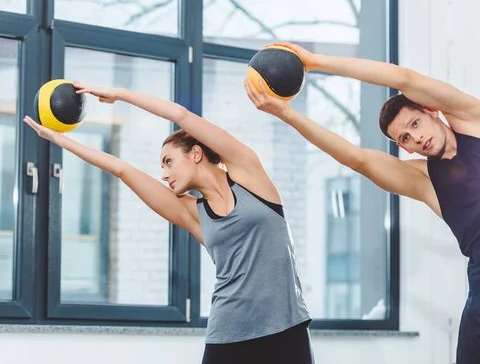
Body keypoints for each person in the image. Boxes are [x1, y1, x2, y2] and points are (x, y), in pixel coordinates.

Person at [244, 42, 480, 364]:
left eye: (415, 123)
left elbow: (403, 78)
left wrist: (316, 62)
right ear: (405, 148)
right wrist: (286, 114)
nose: (416, 137)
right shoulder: (425, 182)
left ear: (431, 111)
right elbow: (357, 159)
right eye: (404, 138)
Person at [24, 82, 313, 364]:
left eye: (168, 161)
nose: (163, 174)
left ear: (196, 153)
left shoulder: (249, 174)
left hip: (287, 328)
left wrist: (120, 93)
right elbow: (122, 169)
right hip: (229, 333)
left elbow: (180, 115)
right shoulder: (192, 214)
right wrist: (60, 140)